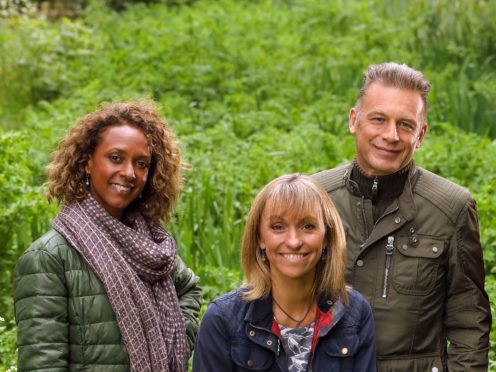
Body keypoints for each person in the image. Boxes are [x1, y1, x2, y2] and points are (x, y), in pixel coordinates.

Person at [313, 62, 491, 371]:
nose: (391, 135)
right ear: (354, 120)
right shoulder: (314, 197)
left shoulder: (451, 208)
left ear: (420, 134)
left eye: (406, 125)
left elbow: (469, 320)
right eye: (378, 119)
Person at [13, 100, 201, 371]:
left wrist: (172, 342)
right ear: (87, 162)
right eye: (116, 158)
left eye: (141, 164)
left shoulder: (147, 244)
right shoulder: (49, 257)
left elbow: (188, 289)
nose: (129, 173)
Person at [193, 174, 376, 371]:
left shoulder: (354, 314)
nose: (294, 241)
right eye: (278, 227)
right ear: (260, 238)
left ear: (326, 237)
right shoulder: (222, 321)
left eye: (308, 226)